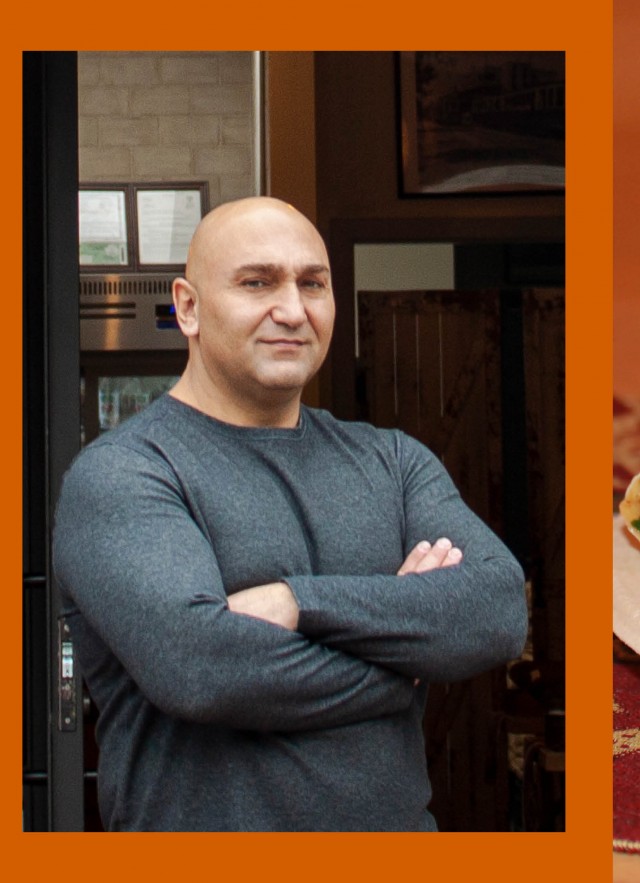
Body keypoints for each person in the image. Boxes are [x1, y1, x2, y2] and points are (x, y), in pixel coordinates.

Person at [53, 196, 528, 832]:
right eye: (257, 282)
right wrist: (408, 661)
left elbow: (498, 609)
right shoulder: (126, 474)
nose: (293, 310)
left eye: (313, 284)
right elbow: (203, 668)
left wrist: (295, 603)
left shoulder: (392, 461)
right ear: (187, 307)